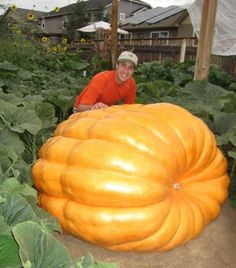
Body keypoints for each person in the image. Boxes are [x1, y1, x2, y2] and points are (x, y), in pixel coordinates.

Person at [73, 51, 138, 113]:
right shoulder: (102, 79)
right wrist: (93, 107)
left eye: (130, 68)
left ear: (133, 71)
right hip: (83, 110)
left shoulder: (131, 83)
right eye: (123, 65)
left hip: (105, 111)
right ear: (116, 65)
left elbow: (129, 107)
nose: (126, 71)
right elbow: (80, 107)